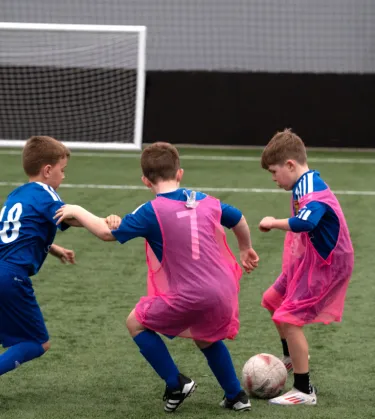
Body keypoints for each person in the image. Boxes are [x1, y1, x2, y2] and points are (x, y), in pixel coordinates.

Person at [54, 141, 260, 413]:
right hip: (223, 290)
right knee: (206, 338)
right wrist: (245, 248)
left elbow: (106, 234)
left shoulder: (150, 211)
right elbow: (238, 218)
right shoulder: (206, 199)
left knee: (135, 324)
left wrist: (76, 209)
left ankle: (176, 383)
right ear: (180, 173)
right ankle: (235, 395)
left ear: (145, 181)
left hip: (190, 294)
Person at [258, 129, 354, 406]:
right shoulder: (302, 184)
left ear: (290, 165)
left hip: (328, 263)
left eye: (274, 172)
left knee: (289, 319)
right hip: (309, 258)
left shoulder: (311, 190)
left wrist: (273, 222)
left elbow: (307, 223)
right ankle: (291, 357)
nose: (274, 179)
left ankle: (304, 390)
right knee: (272, 301)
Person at [0, 136, 78, 378]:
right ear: (47, 170)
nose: (63, 176)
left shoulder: (17, 194)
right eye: (62, 170)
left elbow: (15, 232)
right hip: (11, 277)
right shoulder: (46, 192)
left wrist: (52, 247)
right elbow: (69, 217)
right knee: (37, 342)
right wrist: (104, 224)